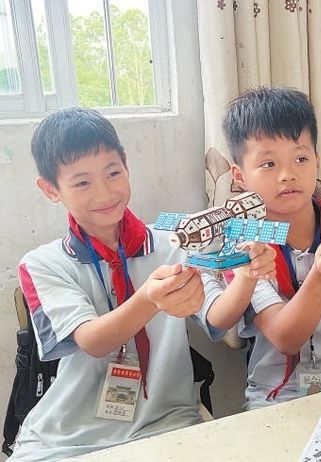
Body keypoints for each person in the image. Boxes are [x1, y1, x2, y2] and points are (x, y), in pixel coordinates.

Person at [9, 107, 236, 462]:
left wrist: (248, 274)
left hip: (168, 423)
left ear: (126, 165)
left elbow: (219, 319)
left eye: (113, 173)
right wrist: (150, 300)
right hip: (67, 437)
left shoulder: (175, 243)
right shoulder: (42, 264)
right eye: (82, 182)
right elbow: (94, 341)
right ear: (50, 189)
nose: (104, 193)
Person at [202, 86, 321, 411]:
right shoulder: (242, 247)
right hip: (275, 404)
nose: (287, 175)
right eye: (268, 163)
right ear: (240, 176)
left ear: (317, 161)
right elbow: (286, 338)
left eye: (300, 158)